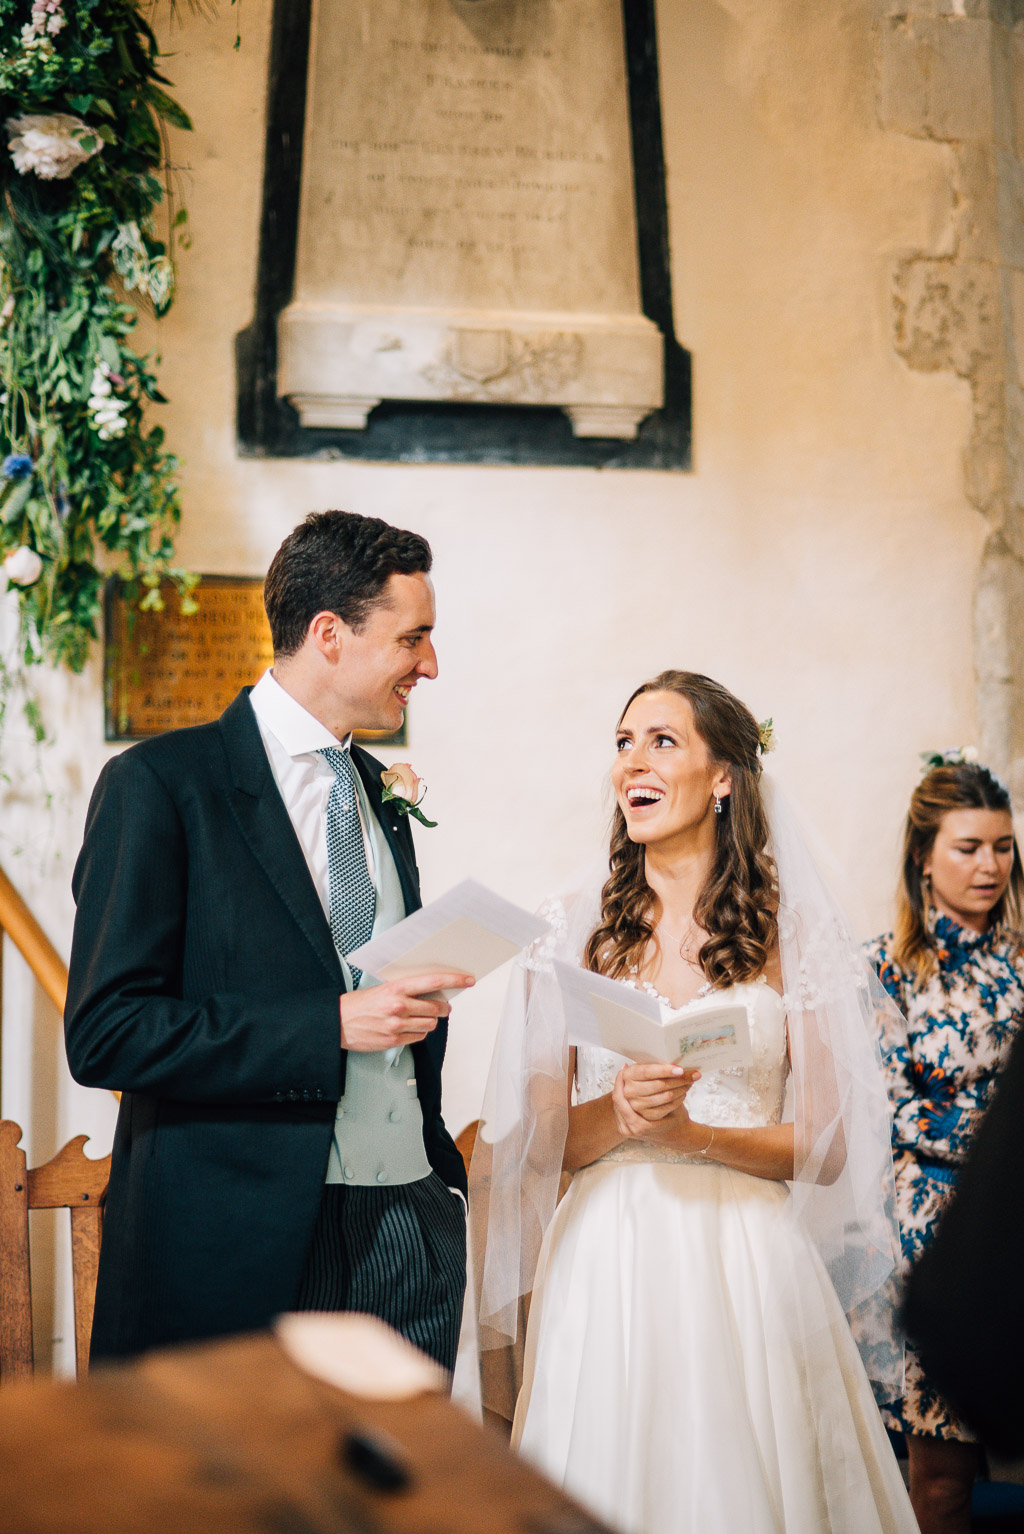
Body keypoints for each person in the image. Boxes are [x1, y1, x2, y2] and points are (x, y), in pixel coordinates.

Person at [472, 670, 917, 1534]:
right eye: (623, 743)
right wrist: (625, 1118)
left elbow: (827, 1143)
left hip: (745, 1260)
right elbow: (541, 1139)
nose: (632, 762)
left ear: (723, 779)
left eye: (661, 741)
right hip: (604, 1259)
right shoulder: (569, 929)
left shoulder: (794, 931)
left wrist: (694, 1132)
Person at [65, 510, 473, 1369]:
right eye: (414, 639)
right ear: (330, 634)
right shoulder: (161, 786)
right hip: (240, 1240)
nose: (430, 665)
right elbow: (107, 1032)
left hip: (406, 1217)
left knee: (393, 1495)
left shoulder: (373, 790)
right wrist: (325, 1024)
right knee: (245, 1501)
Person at [866, 751, 1024, 1534]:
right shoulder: (888, 972)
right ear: (924, 859)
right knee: (940, 1486)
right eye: (968, 848)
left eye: (1001, 846)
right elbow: (882, 1109)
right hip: (935, 1237)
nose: (989, 866)